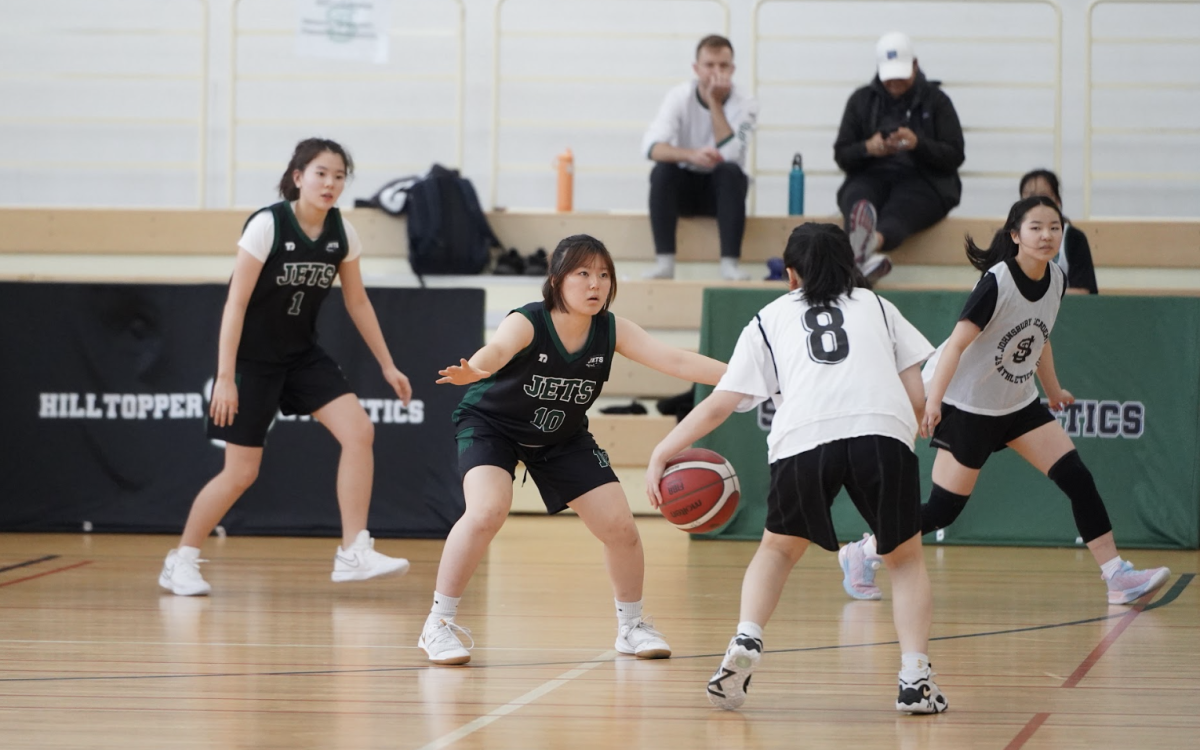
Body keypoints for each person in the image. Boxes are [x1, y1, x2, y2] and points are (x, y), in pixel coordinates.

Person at [645, 223, 948, 714]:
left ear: (790, 275)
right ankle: (915, 679)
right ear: (851, 268)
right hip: (880, 432)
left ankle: (746, 639)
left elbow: (721, 403)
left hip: (802, 438)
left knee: (778, 551)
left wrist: (663, 449)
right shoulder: (877, 306)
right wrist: (912, 425)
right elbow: (918, 398)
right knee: (905, 561)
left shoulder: (768, 318)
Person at [838, 196, 1169, 605]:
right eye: (1036, 227)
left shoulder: (1058, 279)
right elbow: (956, 346)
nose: (1047, 235)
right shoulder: (998, 282)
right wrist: (934, 403)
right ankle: (861, 553)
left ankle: (1116, 576)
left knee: (1077, 478)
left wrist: (1052, 390)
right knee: (942, 511)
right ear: (1015, 235)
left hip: (1016, 403)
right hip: (967, 407)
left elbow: (1038, 336)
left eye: (1054, 227)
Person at [421, 234, 726, 665]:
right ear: (557, 280)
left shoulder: (612, 329)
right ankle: (439, 624)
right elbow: (500, 347)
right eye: (582, 273)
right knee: (488, 510)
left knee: (620, 525)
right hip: (493, 426)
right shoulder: (528, 321)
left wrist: (742, 377)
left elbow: (675, 361)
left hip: (560, 435)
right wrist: (477, 368)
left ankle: (632, 626)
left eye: (603, 275)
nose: (594, 284)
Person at [159, 138, 413, 596]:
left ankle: (354, 551)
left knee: (359, 432)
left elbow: (357, 302)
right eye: (321, 173)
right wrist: (224, 376)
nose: (330, 183)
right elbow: (235, 303)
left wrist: (388, 365)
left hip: (301, 355)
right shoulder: (267, 225)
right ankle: (182, 559)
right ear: (298, 177)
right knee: (241, 472)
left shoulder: (342, 233)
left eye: (339, 176)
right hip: (252, 361)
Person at [834, 31, 965, 285]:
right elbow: (842, 154)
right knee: (857, 198)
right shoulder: (861, 100)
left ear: (915, 65)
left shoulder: (937, 101)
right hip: (871, 174)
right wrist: (868, 148)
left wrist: (918, 144)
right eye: (889, 77)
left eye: (900, 76)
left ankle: (865, 248)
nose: (894, 83)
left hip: (925, 180)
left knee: (903, 210)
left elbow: (955, 154)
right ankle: (864, 260)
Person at [641, 34, 759, 281]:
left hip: (723, 194)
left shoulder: (746, 103)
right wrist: (691, 155)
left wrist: (714, 103)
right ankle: (665, 264)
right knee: (662, 171)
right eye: (709, 65)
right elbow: (651, 148)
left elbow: (729, 155)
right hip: (683, 191)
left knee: (729, 172)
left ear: (732, 69)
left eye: (723, 65)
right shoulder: (678, 97)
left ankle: (729, 264)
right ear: (696, 69)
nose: (716, 72)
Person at [1017, 169, 1098, 294]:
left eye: (1044, 197)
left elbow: (1084, 292)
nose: (1037, 203)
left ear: (1057, 202)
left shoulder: (1074, 238)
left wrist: (1040, 295)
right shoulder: (1007, 237)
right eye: (1030, 197)